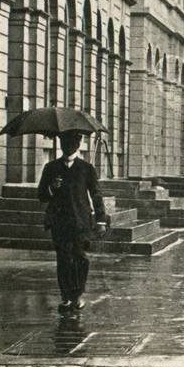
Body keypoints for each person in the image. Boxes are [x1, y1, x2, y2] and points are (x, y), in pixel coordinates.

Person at [39, 132, 107, 314]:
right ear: (60, 144)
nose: (68, 146)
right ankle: (66, 297)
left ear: (78, 144)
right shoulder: (51, 168)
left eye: (72, 143)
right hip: (59, 221)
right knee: (63, 259)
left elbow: (96, 195)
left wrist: (101, 220)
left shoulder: (86, 168)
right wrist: (52, 188)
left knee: (79, 257)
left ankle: (78, 294)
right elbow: (41, 195)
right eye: (64, 142)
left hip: (80, 221)